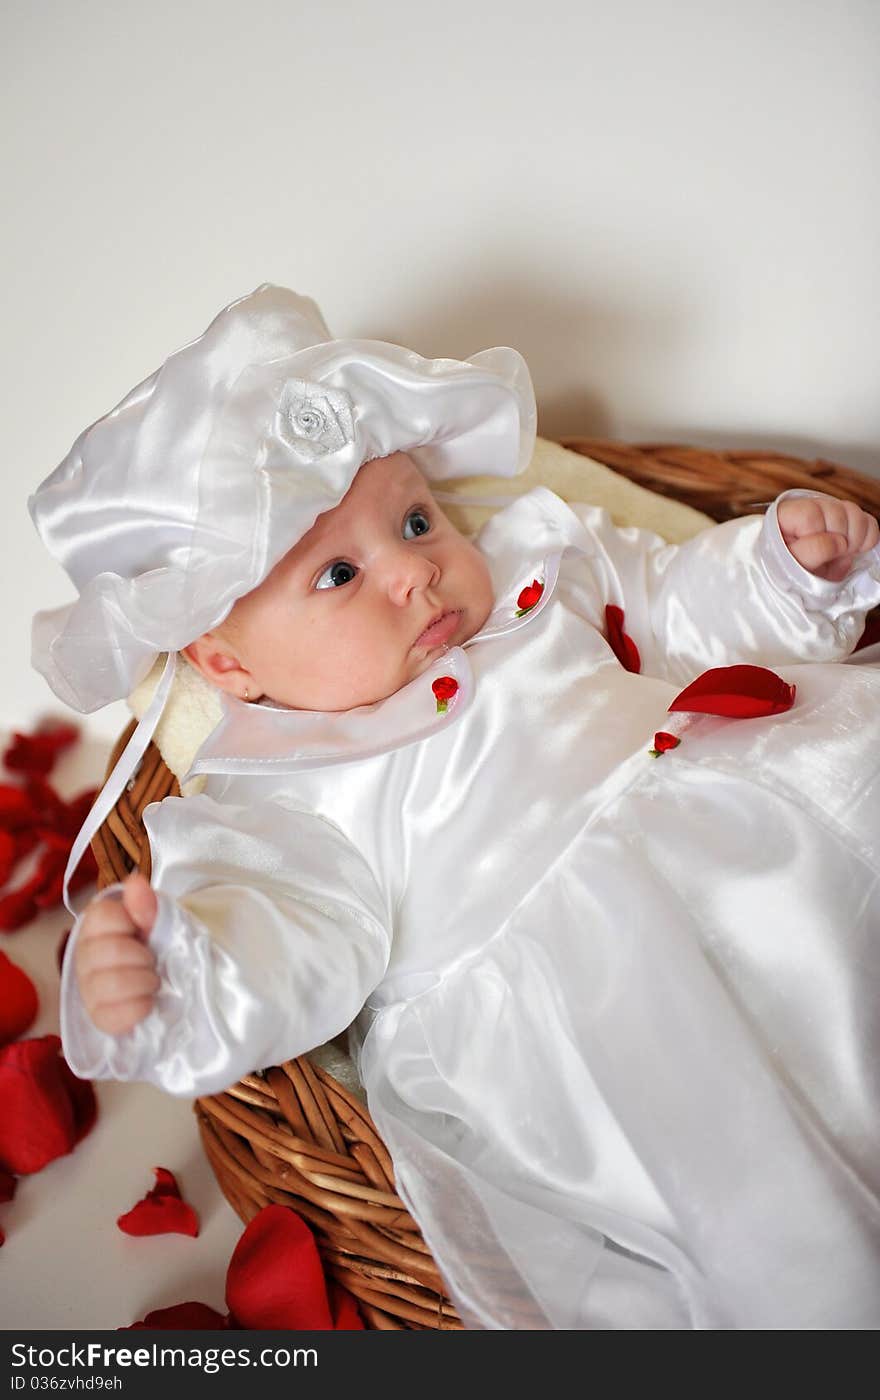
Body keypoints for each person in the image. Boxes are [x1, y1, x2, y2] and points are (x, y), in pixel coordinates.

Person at [30, 286, 880, 1329]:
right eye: (338, 572)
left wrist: (781, 566)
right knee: (750, 1184)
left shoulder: (539, 567)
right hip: (606, 992)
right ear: (224, 660)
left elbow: (673, 606)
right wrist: (178, 971)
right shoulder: (273, 792)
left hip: (754, 823)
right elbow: (284, 936)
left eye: (416, 518)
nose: (414, 572)